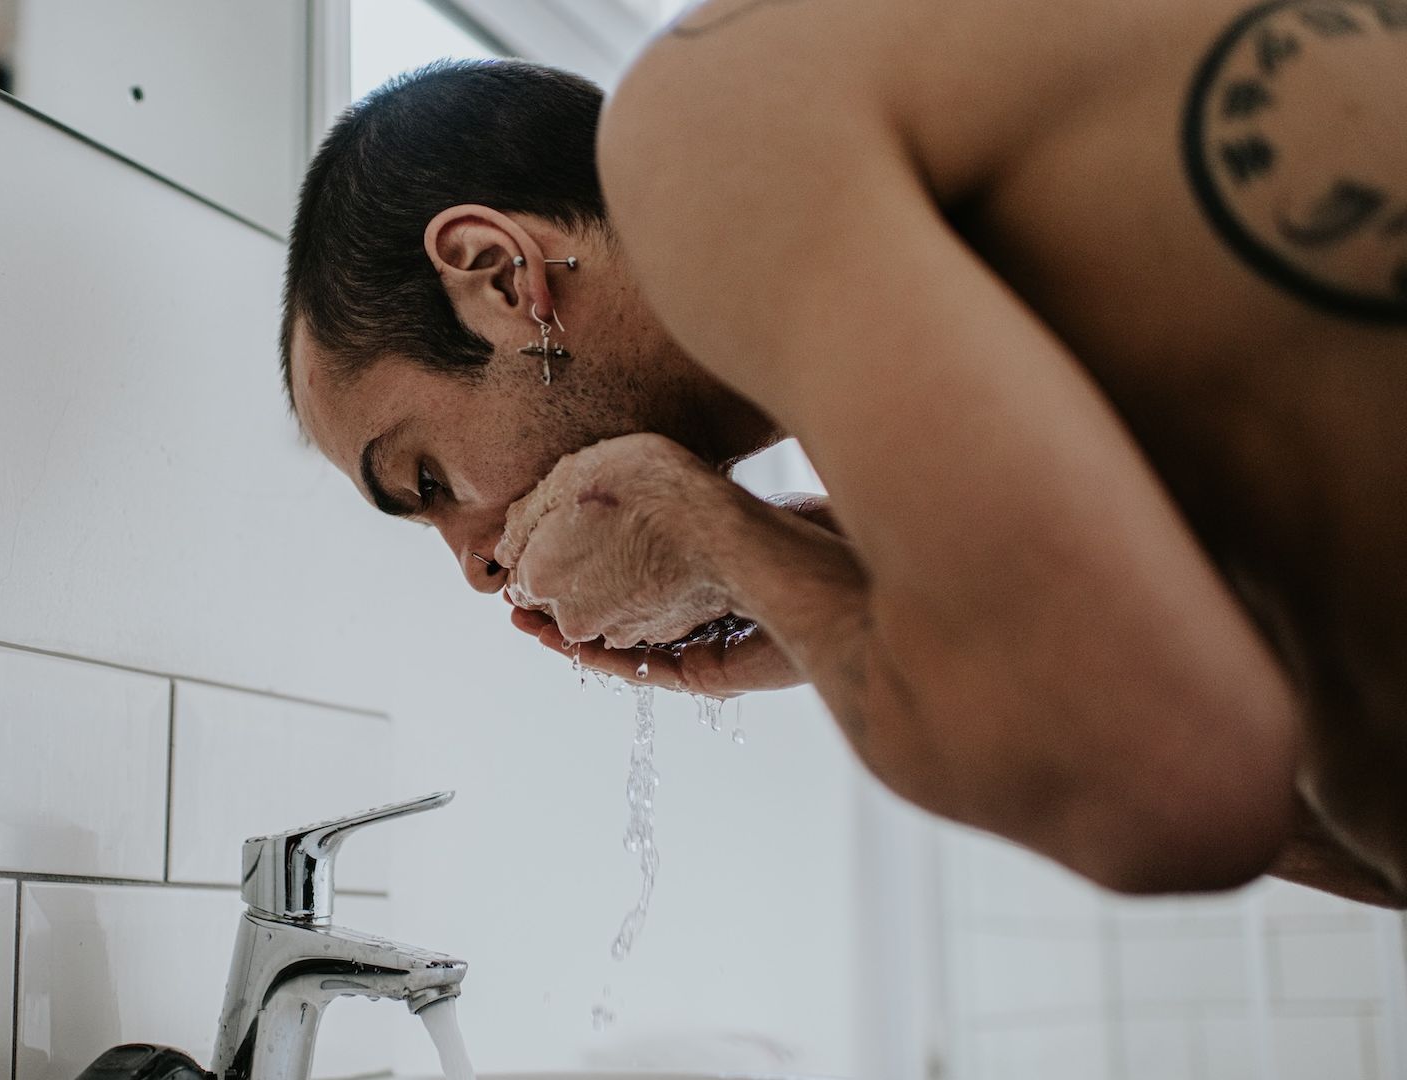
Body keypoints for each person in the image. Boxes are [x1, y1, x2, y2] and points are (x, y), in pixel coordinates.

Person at [279, 0, 1407, 907]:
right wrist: (850, 600)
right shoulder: (1011, 305)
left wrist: (710, 532)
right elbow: (1295, 806)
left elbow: (1169, 794)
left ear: (494, 272)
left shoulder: (702, 127)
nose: (476, 562)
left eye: (425, 481)